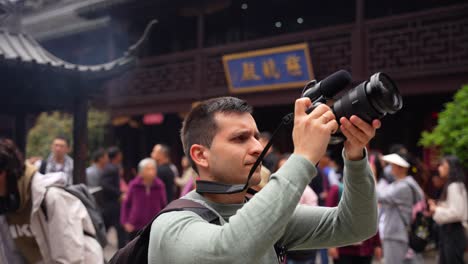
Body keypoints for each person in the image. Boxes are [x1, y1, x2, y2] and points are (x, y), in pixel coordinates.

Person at [148, 96, 381, 263]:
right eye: (240, 138)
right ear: (201, 155)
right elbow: (230, 253)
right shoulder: (172, 225)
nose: (258, 147)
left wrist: (355, 155)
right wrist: (303, 156)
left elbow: (357, 225)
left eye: (256, 137)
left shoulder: (266, 215)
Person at [0, 138, 104, 263]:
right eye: (56, 145)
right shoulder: (7, 205)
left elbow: (70, 258)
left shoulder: (52, 198)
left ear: (4, 172)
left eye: (61, 145)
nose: (58, 148)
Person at [378, 153, 424, 264]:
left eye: (392, 165)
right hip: (397, 232)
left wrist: (370, 177)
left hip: (396, 234)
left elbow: (379, 196)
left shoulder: (403, 187)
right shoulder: (400, 184)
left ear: (401, 168)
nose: (389, 168)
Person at [428, 155, 467, 264]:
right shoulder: (454, 185)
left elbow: (457, 213)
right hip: (450, 232)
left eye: (442, 165)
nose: (439, 168)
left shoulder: (454, 185)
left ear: (451, 168)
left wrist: (436, 209)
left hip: (453, 232)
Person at [121, 158, 167, 240]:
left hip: (154, 225)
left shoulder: (159, 185)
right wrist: (125, 222)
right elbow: (126, 203)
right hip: (135, 225)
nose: (151, 171)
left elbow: (163, 204)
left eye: (153, 169)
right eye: (148, 169)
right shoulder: (134, 185)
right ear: (141, 172)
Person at [100, 146, 126, 248]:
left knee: (108, 227)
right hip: (112, 203)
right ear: (117, 156)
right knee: (119, 228)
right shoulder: (111, 168)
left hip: (110, 203)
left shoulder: (111, 167)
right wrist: (119, 193)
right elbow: (105, 185)